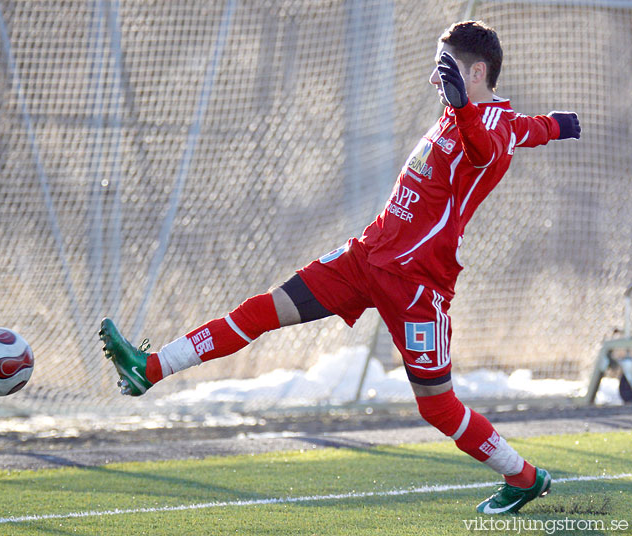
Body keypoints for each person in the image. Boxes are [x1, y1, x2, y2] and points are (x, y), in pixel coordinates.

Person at [100, 20, 581, 514]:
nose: (436, 78)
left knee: (437, 406)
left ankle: (524, 478)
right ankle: (150, 368)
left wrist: (466, 108)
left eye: (447, 68)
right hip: (366, 257)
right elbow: (535, 128)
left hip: (416, 286)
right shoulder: (467, 113)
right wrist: (557, 125)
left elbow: (486, 146)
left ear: (477, 71)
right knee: (264, 309)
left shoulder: (490, 125)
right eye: (437, 69)